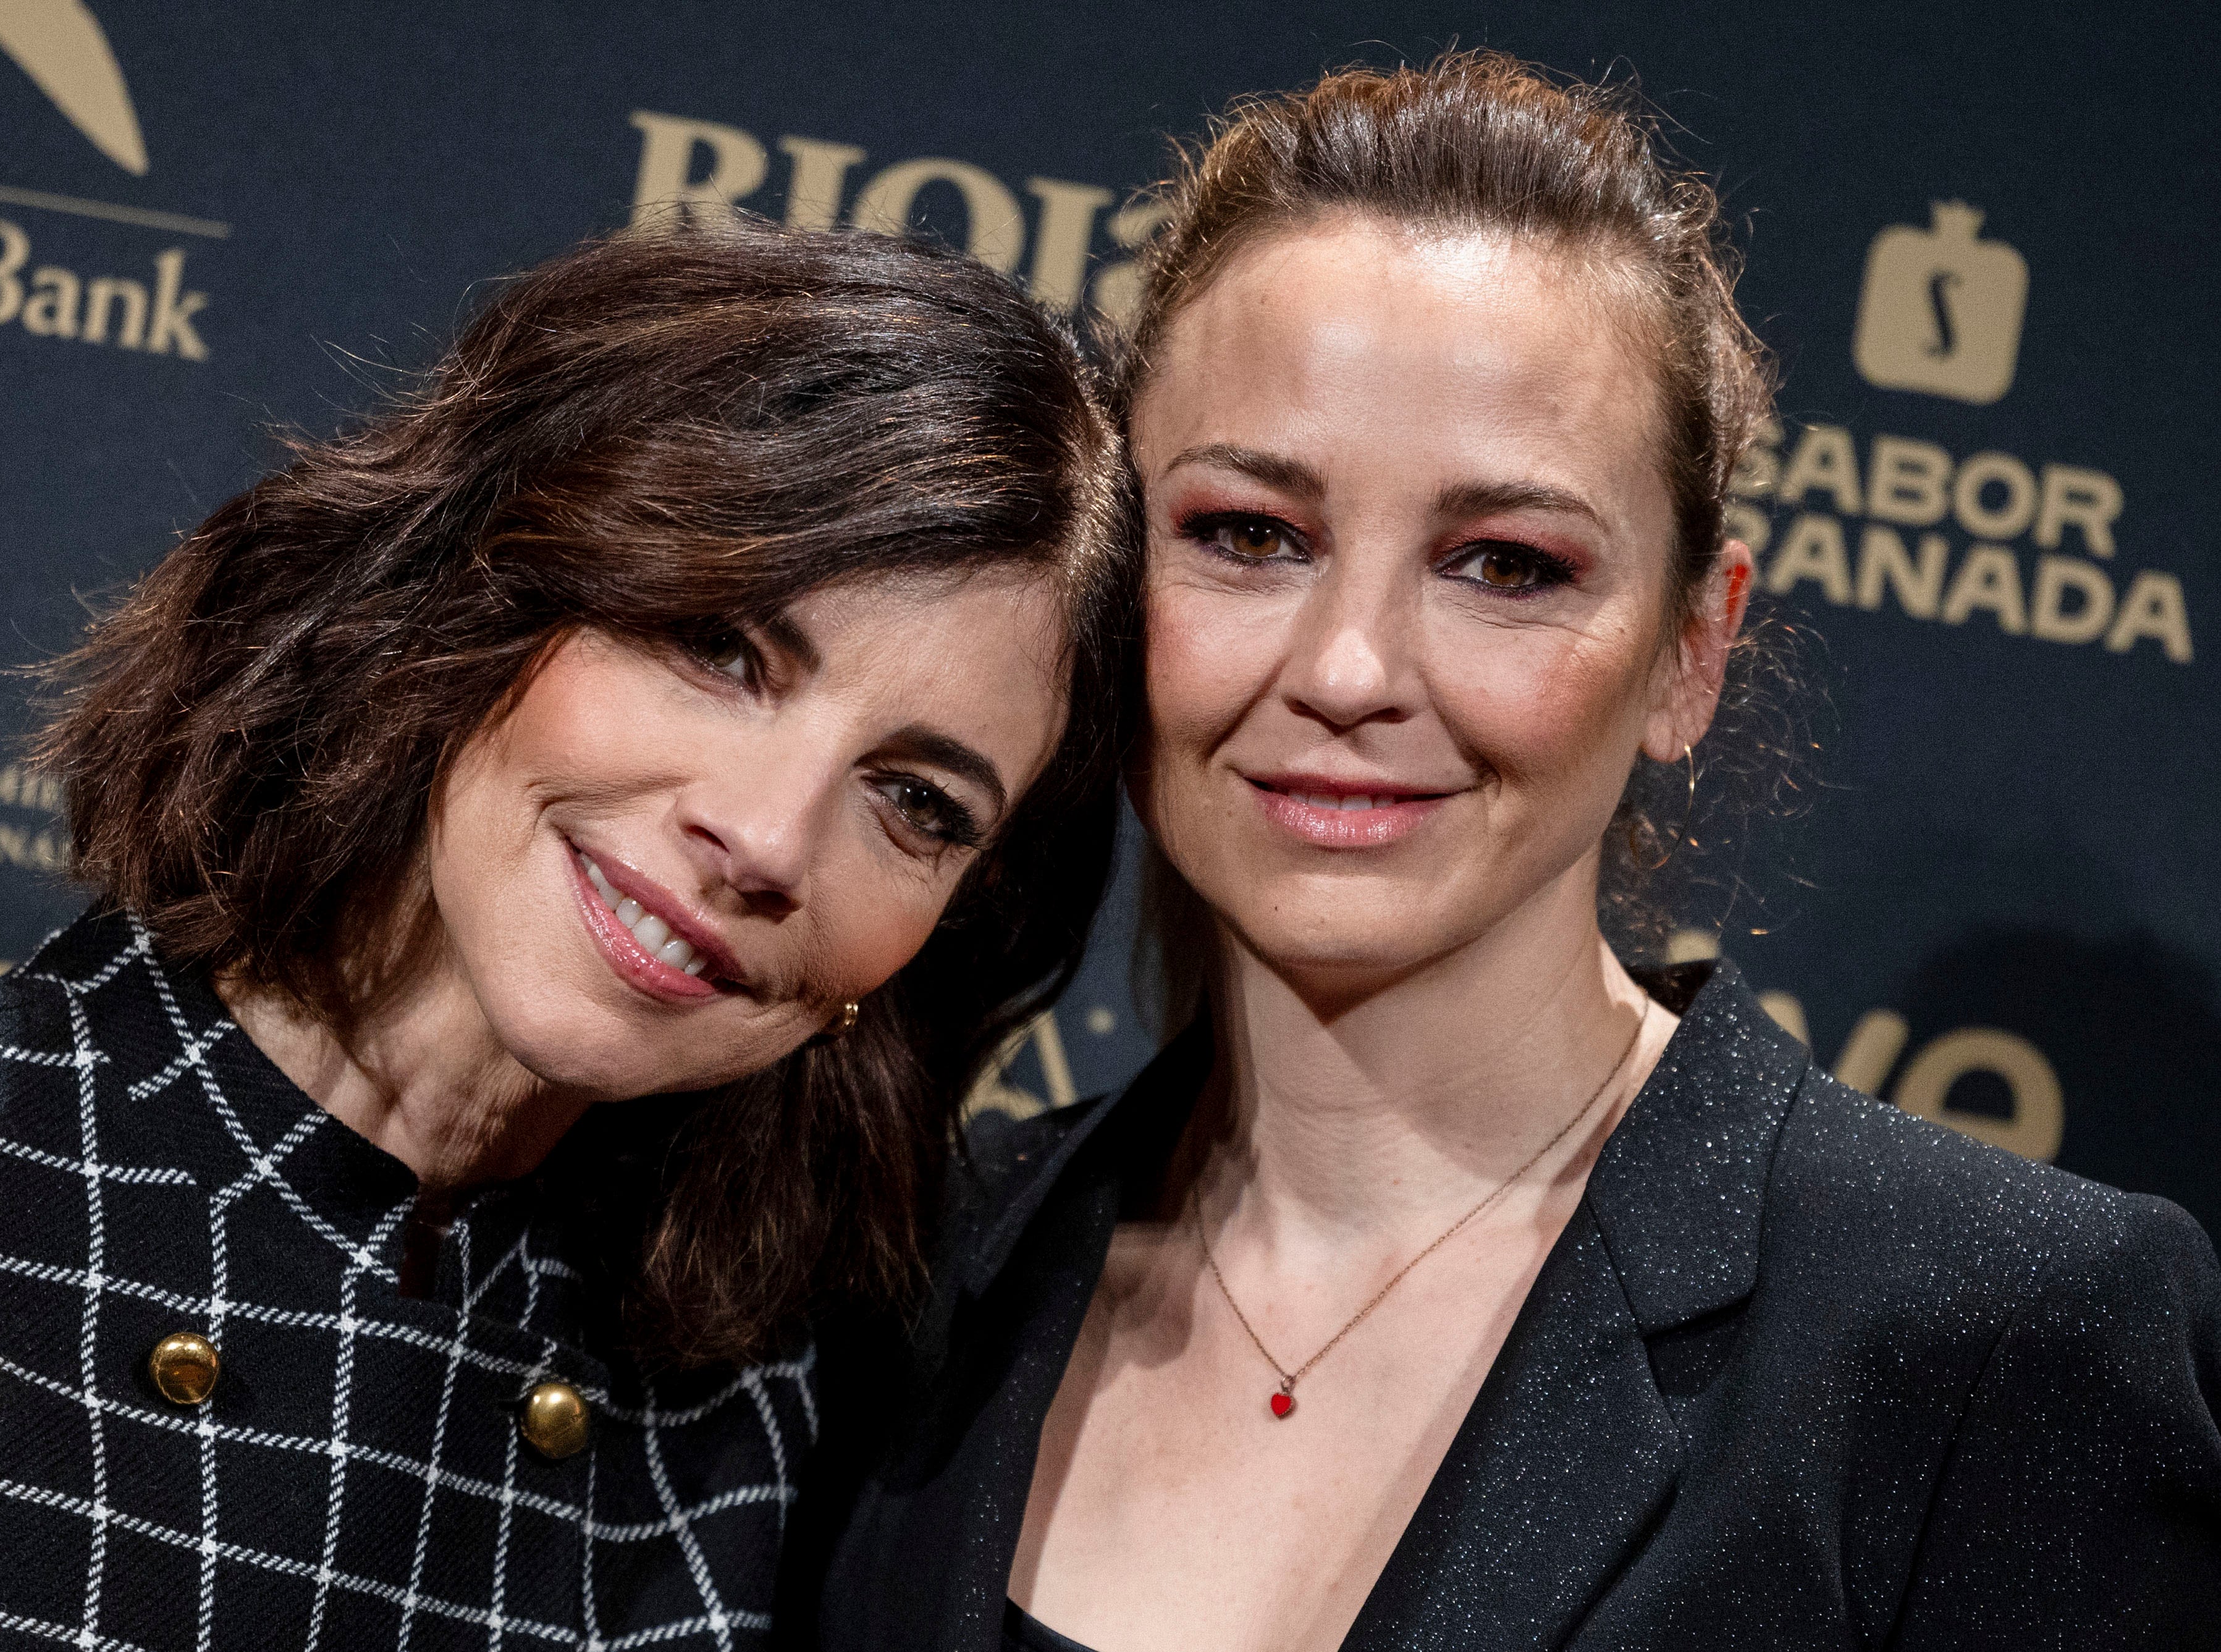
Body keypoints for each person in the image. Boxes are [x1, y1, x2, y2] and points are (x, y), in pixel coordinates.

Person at [807, 54, 2221, 1651]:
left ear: (1691, 652)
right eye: (1248, 536)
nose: (1347, 670)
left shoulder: (1992, 1340)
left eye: (1503, 564)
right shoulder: (898, 1262)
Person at [0, 221, 1131, 1648]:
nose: (770, 840)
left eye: (912, 800)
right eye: (719, 648)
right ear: (469, 585)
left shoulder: (798, 1419)